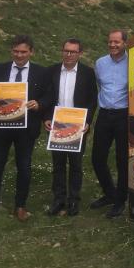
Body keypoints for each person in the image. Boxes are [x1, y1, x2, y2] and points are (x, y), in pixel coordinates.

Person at [0, 35, 50, 222]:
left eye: (23, 52)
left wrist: (39, 104)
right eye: (16, 51)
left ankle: (20, 206)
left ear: (31, 52)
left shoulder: (41, 72)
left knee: (24, 167)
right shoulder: (0, 69)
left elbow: (48, 95)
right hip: (1, 126)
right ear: (11, 51)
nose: (19, 55)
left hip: (26, 128)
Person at [44, 38, 97, 216]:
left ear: (79, 54)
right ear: (62, 51)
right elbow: (47, 97)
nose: (68, 54)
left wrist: (87, 122)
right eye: (66, 50)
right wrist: (46, 118)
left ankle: (73, 200)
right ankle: (58, 199)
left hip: (77, 125)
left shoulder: (88, 73)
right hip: (57, 124)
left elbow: (92, 100)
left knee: (75, 164)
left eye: (73, 52)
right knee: (58, 164)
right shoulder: (51, 71)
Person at [91, 29, 129, 218]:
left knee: (122, 160)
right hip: (105, 114)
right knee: (97, 158)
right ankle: (109, 194)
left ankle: (121, 200)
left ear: (124, 43)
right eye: (110, 42)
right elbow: (99, 85)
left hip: (124, 115)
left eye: (117, 42)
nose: (113, 45)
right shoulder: (100, 63)